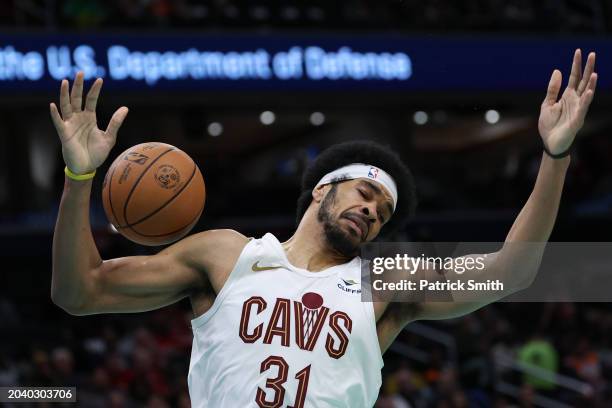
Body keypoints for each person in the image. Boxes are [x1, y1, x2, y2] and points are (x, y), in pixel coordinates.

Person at [50, 49, 597, 407]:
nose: (371, 212)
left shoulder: (381, 282)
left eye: (382, 213)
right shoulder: (227, 255)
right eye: (365, 194)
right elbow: (80, 292)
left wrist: (555, 157)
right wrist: (80, 176)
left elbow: (513, 271)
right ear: (322, 189)